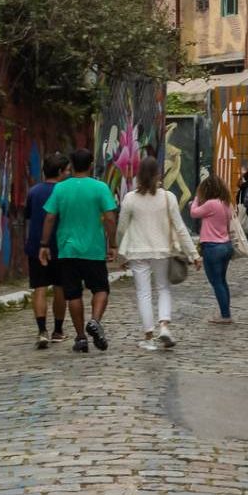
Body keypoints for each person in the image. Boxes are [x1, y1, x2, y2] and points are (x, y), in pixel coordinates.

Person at [40, 148, 119, 353]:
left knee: (73, 294)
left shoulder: (60, 189)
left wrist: (44, 244)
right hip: (93, 249)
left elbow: (49, 217)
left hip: (67, 249)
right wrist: (112, 243)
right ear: (91, 164)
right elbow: (110, 218)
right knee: (101, 289)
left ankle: (81, 337)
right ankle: (95, 321)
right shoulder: (100, 188)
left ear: (72, 165)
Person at [117, 154, 198, 351]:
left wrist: (120, 251)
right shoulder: (168, 198)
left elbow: (121, 228)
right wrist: (194, 254)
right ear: (157, 174)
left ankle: (148, 335)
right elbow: (180, 228)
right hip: (161, 250)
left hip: (137, 251)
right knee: (163, 288)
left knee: (143, 293)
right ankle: (164, 326)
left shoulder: (129, 199)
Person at [23, 152, 72, 349]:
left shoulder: (34, 192)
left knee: (39, 288)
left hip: (37, 246)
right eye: (67, 170)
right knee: (60, 288)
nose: (69, 173)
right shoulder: (65, 192)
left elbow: (28, 216)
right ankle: (58, 331)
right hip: (60, 246)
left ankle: (42, 331)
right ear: (60, 171)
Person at [189, 176, 236, 324]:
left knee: (216, 282)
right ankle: (226, 312)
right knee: (222, 280)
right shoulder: (226, 204)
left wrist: (196, 199)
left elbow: (194, 213)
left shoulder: (211, 204)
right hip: (226, 245)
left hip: (212, 247)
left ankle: (225, 315)